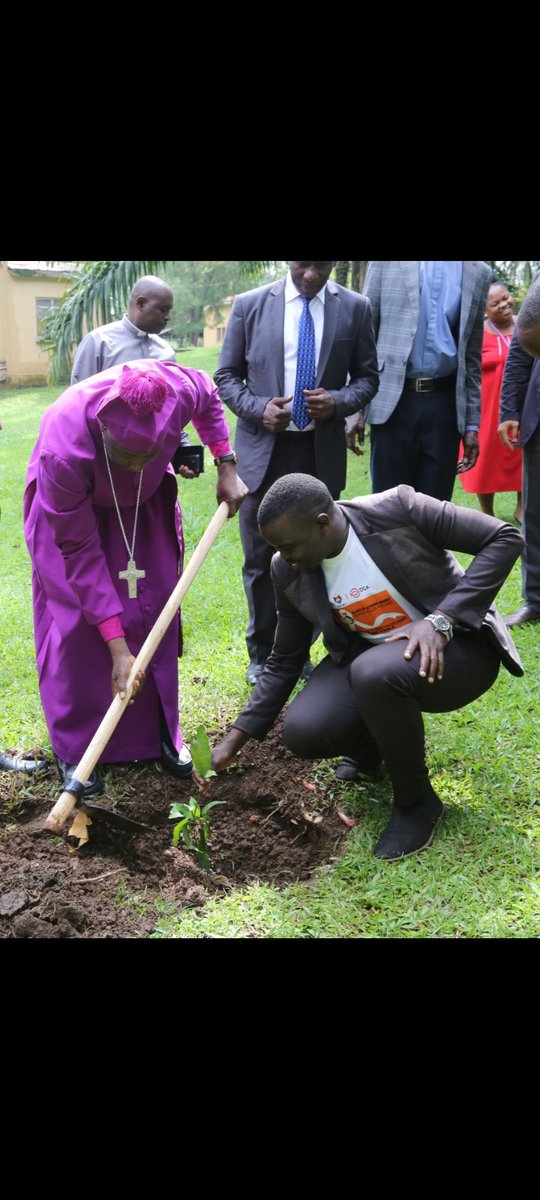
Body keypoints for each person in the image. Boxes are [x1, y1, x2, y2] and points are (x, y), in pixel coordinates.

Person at [211, 473, 523, 861]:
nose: (285, 557)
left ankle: (416, 803)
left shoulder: (399, 509)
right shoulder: (286, 569)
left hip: (458, 652)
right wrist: (234, 739)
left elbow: (505, 537)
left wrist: (442, 620)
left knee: (374, 672)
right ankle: (373, 747)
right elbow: (286, 659)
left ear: (322, 523)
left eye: (289, 546)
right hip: (372, 660)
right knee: (304, 731)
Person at [23, 361, 247, 798]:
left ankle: (160, 733)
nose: (138, 463)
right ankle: (78, 748)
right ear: (105, 431)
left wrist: (225, 463)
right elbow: (81, 555)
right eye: (128, 456)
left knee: (156, 602)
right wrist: (117, 646)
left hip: (143, 506)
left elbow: (208, 397)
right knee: (76, 620)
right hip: (71, 516)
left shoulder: (177, 389)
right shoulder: (63, 449)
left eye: (150, 454)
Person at [214, 261, 379, 685]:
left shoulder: (355, 308)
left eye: (321, 266)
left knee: (315, 558)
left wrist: (340, 402)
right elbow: (226, 376)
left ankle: (307, 653)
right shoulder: (251, 306)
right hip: (262, 456)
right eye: (302, 264)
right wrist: (259, 408)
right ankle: (262, 654)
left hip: (318, 456)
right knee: (258, 559)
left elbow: (367, 378)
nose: (310, 274)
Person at [346, 261, 492, 501]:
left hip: (446, 406)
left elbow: (471, 356)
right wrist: (355, 406)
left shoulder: (479, 272)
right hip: (393, 401)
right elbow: (364, 334)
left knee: (435, 507)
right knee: (389, 503)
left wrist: (472, 425)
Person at [70, 273, 194, 473]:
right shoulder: (99, 342)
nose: (168, 317)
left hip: (151, 462)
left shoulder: (166, 352)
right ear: (141, 303)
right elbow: (77, 405)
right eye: (163, 309)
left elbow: (171, 410)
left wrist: (182, 448)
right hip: (106, 459)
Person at [460, 282, 522, 521]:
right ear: (485, 309)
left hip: (521, 404)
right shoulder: (478, 332)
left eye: (506, 298)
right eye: (495, 303)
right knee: (485, 458)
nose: (504, 305)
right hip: (486, 409)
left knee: (521, 452)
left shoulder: (526, 326)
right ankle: (488, 512)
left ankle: (521, 506)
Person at [498, 274, 540, 626]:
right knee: (536, 513)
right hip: (537, 413)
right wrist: (509, 410)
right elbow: (520, 350)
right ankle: (536, 601)